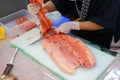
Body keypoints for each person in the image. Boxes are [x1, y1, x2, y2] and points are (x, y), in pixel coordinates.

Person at [27, 0, 120, 49]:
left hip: (101, 32)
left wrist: (74, 25)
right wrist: (41, 8)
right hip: (80, 28)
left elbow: (103, 22)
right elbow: (57, 2)